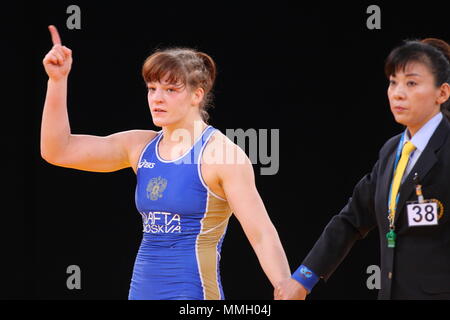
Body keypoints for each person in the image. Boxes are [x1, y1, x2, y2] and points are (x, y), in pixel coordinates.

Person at [41, 25, 291, 300]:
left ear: (198, 94)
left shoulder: (221, 155)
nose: (157, 98)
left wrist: (283, 285)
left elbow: (262, 234)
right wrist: (57, 81)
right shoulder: (140, 146)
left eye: (171, 89)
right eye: (152, 88)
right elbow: (58, 150)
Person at [275, 38, 450, 300]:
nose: (398, 93)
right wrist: (303, 279)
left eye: (411, 83)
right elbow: (351, 218)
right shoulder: (392, 151)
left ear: (442, 93)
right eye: (393, 82)